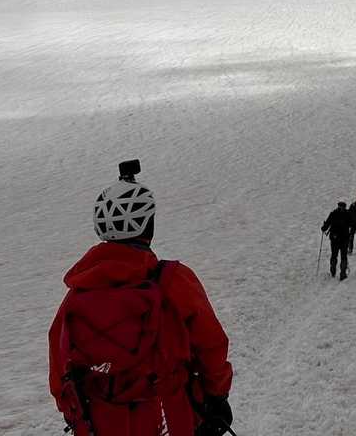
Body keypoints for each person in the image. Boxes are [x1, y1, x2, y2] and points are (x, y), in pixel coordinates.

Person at [50, 160, 234, 436]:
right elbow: (211, 344)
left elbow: (58, 360)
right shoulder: (173, 280)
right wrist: (217, 396)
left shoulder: (79, 291)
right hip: (170, 415)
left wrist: (73, 412)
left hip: (100, 422)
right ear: (148, 225)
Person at [322, 200, 356, 280]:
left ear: (338, 206)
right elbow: (353, 224)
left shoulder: (333, 213)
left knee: (334, 255)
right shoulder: (347, 214)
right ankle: (343, 273)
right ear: (345, 207)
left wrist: (323, 228)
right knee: (343, 256)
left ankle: (333, 270)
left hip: (334, 238)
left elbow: (326, 225)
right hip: (344, 239)